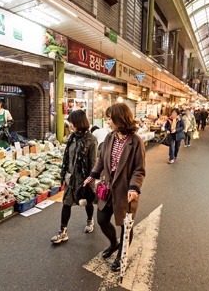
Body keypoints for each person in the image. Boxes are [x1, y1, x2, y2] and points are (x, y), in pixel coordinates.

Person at [83, 103, 145, 272]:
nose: (107, 122)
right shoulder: (109, 137)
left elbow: (139, 170)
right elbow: (101, 161)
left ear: (120, 119)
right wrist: (92, 176)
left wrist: (134, 188)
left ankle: (120, 256)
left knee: (126, 226)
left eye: (110, 119)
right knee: (102, 220)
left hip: (125, 191)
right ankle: (113, 244)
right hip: (107, 189)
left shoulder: (136, 141)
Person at [51, 110, 98, 244]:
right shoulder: (71, 138)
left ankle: (90, 220)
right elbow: (68, 158)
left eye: (71, 122)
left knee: (87, 201)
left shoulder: (91, 140)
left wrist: (90, 179)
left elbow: (94, 162)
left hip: (84, 178)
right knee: (66, 203)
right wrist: (65, 173)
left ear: (78, 122)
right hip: (70, 177)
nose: (70, 125)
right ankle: (63, 231)